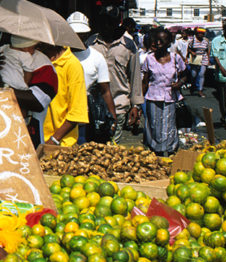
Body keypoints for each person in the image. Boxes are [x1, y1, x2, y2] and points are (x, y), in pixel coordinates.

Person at [88, 13, 143, 144]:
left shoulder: (128, 45)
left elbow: (135, 76)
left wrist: (135, 105)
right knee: (93, 147)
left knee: (112, 148)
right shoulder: (90, 43)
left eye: (111, 23)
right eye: (104, 23)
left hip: (119, 105)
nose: (107, 27)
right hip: (93, 106)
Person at [67, 12, 116, 143]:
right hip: (62, 116)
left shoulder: (96, 57)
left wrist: (113, 117)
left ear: (87, 34)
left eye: (81, 34)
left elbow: (105, 90)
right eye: (75, 33)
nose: (78, 37)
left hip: (86, 117)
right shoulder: (59, 56)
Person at [141, 27, 188, 156]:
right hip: (153, 97)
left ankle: (170, 152)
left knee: (169, 125)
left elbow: (185, 74)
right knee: (154, 125)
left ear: (169, 42)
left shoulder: (175, 58)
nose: (158, 43)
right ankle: (157, 153)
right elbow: (145, 81)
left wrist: (179, 83)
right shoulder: (149, 59)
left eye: (162, 40)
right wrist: (138, 103)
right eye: (156, 40)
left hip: (170, 97)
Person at [38, 43, 89, 148]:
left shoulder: (72, 65)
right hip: (37, 138)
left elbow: (76, 113)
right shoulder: (37, 60)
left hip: (60, 144)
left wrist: (53, 140)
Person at [186, 27, 211, 97]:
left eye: (202, 33)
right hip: (195, 59)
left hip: (203, 58)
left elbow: (207, 50)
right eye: (199, 33)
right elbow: (188, 49)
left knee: (201, 74)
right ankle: (193, 85)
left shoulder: (206, 41)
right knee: (193, 74)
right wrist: (191, 52)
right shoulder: (192, 41)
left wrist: (208, 60)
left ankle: (200, 90)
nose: (201, 35)